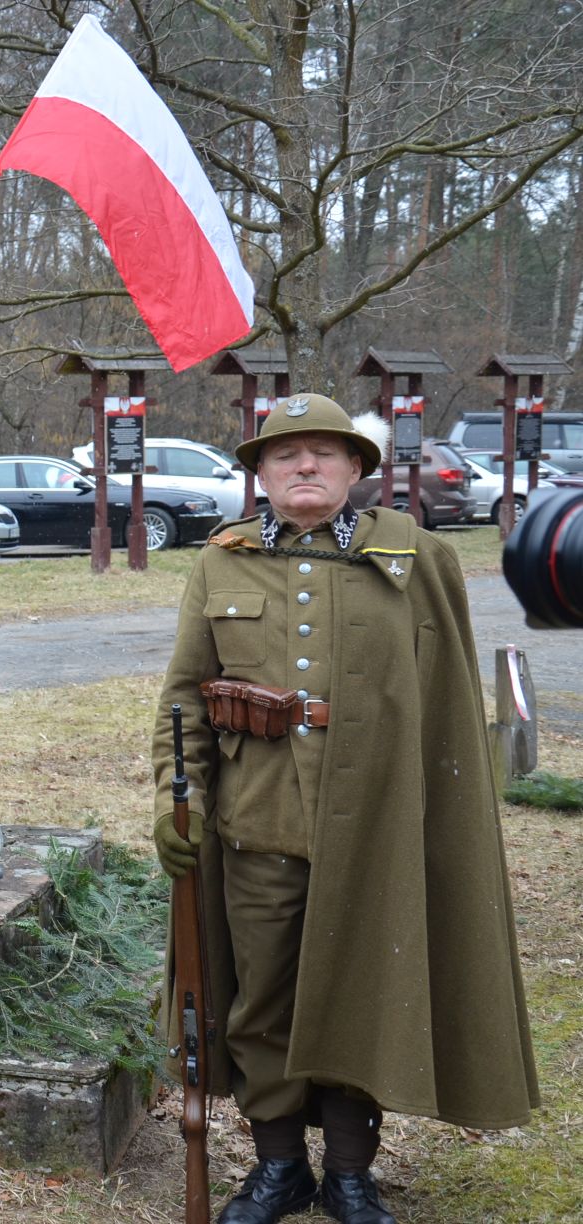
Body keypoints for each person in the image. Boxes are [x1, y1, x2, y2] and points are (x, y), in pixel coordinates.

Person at [152, 394, 539, 1224]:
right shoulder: (220, 564)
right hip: (259, 822)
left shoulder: (415, 559)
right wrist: (170, 803)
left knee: (368, 994)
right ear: (258, 472)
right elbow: (184, 700)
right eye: (285, 455)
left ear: (355, 470)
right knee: (263, 1004)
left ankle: (352, 1175)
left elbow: (443, 710)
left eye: (325, 453)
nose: (304, 467)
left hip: (379, 827)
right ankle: (279, 1167)